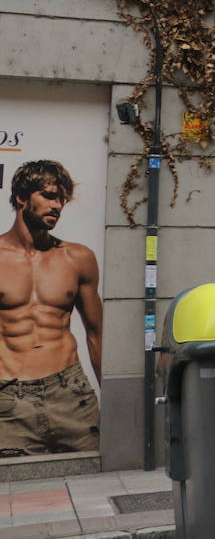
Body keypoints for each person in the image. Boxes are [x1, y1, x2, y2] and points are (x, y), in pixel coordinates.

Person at [0, 160, 102, 455]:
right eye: (48, 196)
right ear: (21, 197)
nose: (57, 205)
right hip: (10, 398)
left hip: (70, 394)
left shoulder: (77, 258)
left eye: (61, 199)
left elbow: (96, 335)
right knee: (17, 496)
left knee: (89, 486)